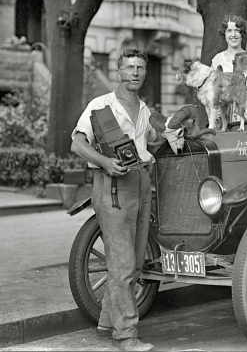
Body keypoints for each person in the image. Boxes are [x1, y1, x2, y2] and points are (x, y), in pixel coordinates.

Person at [71, 49, 158, 351]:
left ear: (145, 73)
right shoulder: (101, 105)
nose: (135, 72)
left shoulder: (144, 110)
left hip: (141, 183)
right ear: (119, 72)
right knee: (122, 264)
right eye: (129, 67)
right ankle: (126, 336)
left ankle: (107, 322)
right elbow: (77, 143)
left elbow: (151, 142)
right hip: (112, 186)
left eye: (141, 68)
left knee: (133, 264)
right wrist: (105, 163)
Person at [212, 14, 247, 78]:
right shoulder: (217, 59)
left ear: (242, 33)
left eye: (237, 30)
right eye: (229, 31)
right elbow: (211, 86)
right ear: (224, 33)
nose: (233, 34)